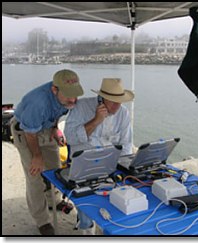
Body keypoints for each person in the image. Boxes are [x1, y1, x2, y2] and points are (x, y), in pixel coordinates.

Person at [10, 69, 84, 235]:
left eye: (75, 94)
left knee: (55, 170)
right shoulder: (38, 103)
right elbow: (30, 132)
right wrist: (36, 156)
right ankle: (42, 220)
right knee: (35, 176)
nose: (73, 99)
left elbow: (58, 112)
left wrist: (55, 129)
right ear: (54, 90)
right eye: (69, 95)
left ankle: (53, 200)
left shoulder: (67, 98)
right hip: (26, 131)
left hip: (46, 127)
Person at [64, 78, 134, 234]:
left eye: (120, 101)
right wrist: (96, 120)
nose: (117, 106)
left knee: (122, 197)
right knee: (86, 202)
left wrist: (124, 168)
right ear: (102, 99)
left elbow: (127, 144)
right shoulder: (81, 107)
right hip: (84, 165)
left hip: (111, 166)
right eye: (113, 102)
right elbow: (70, 138)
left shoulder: (123, 113)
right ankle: (86, 228)